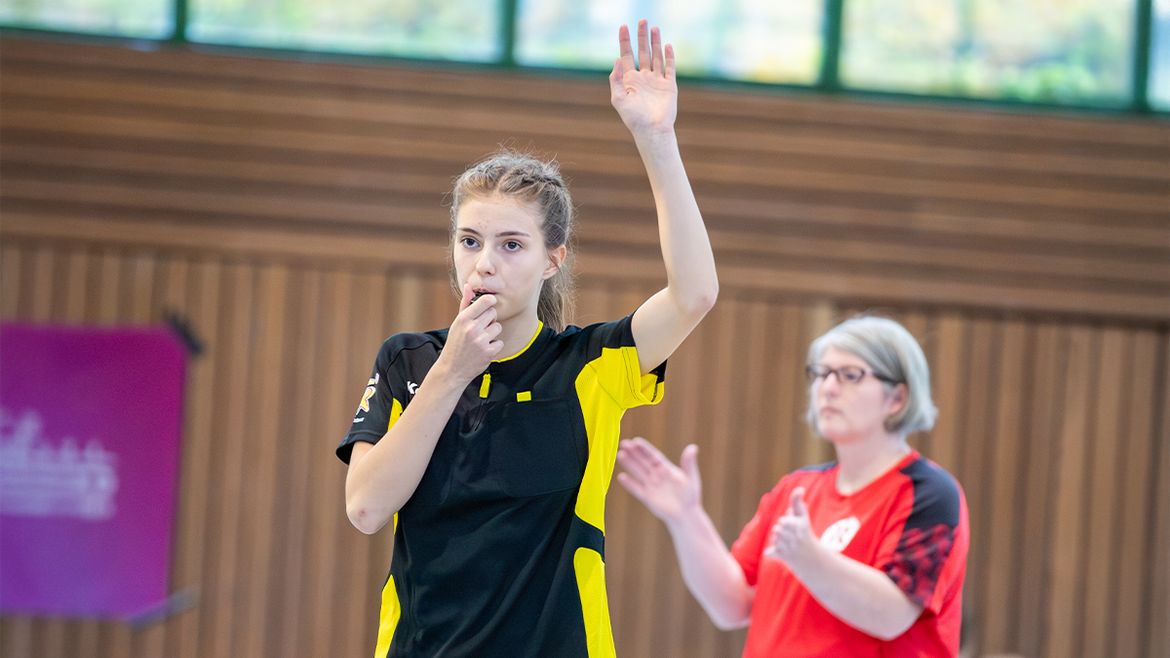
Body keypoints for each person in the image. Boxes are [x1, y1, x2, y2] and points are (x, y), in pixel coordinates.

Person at [336, 20, 718, 658]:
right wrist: (452, 372)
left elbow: (695, 295)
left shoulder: (589, 366)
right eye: (470, 241)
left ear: (552, 260)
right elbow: (366, 509)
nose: (484, 263)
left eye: (511, 245)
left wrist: (656, 138)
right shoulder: (410, 361)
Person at [616, 315, 969, 657]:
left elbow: (891, 616)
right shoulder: (797, 488)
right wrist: (686, 518)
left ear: (897, 398)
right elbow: (732, 606)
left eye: (850, 375)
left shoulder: (928, 493)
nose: (828, 388)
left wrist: (810, 558)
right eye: (821, 373)